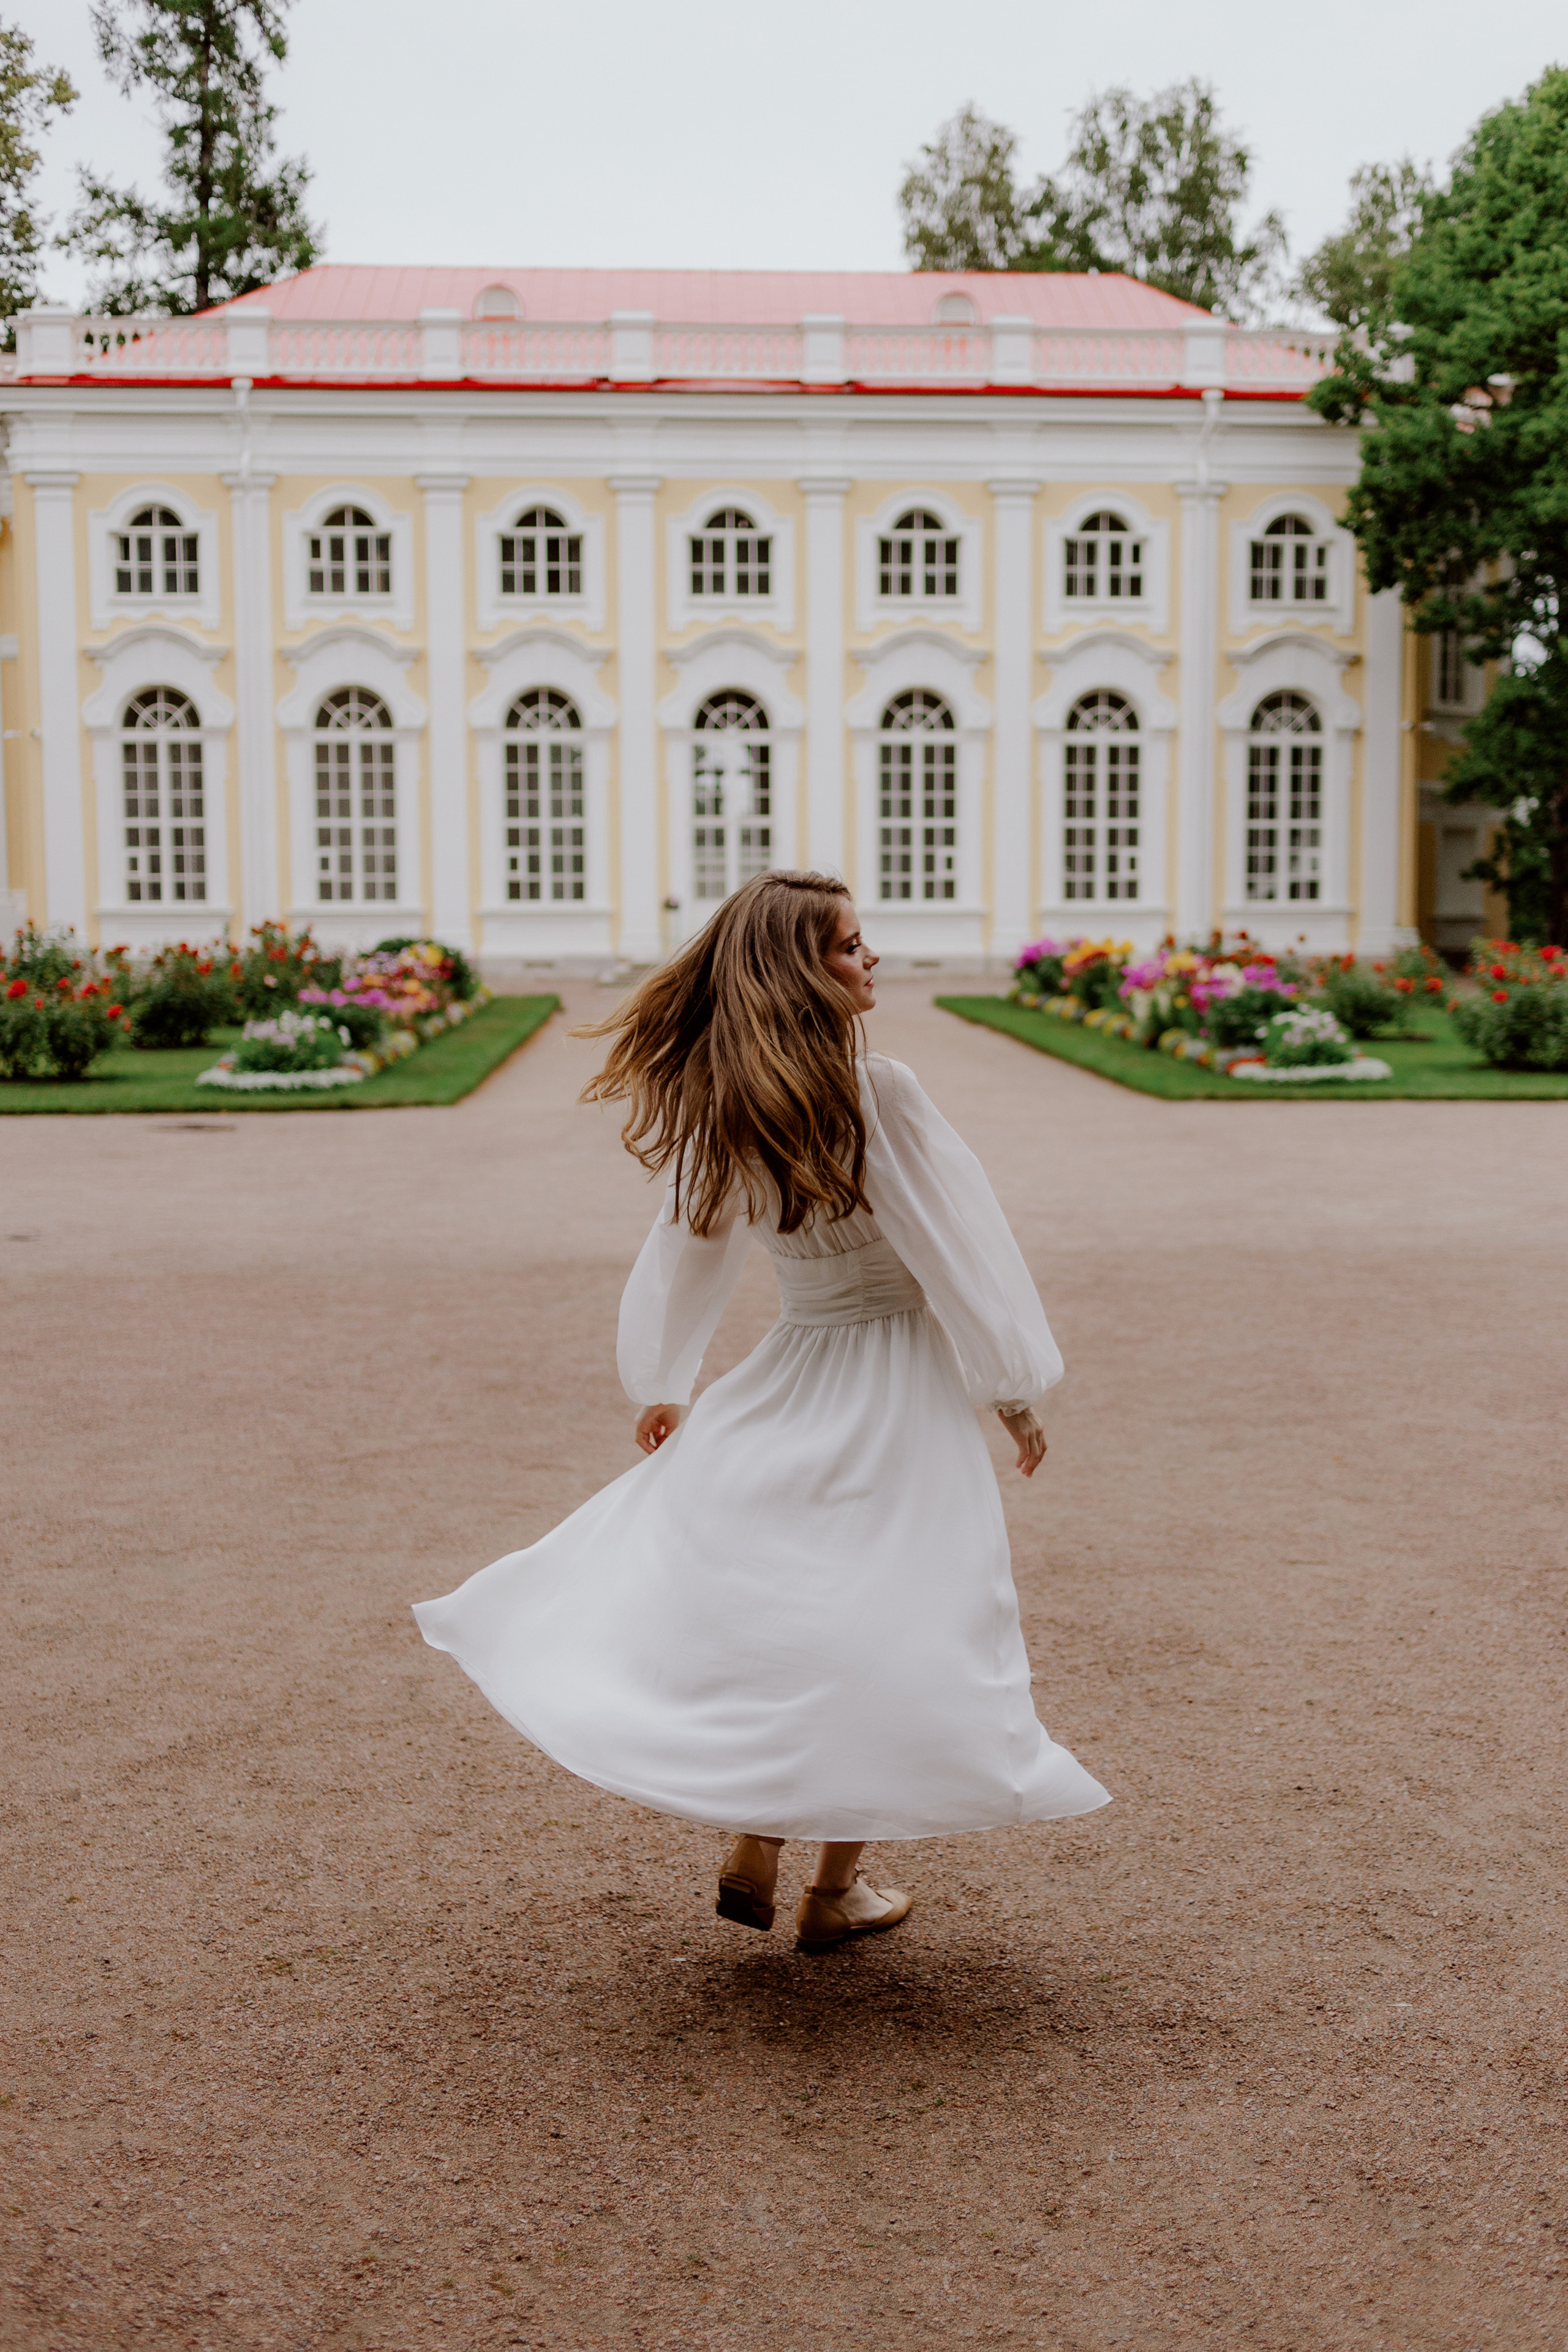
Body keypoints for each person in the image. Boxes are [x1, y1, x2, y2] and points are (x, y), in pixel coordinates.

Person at [413, 873, 1109, 1951]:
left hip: (794, 1366)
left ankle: (755, 1839)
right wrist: (1012, 1387)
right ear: (801, 969)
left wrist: (666, 1378)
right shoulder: (881, 1092)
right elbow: (959, 1249)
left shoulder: (731, 1105)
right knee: (904, 1612)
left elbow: (687, 1251)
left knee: (789, 1603)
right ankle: (836, 1892)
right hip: (898, 1382)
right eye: (849, 946)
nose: (870, 960)